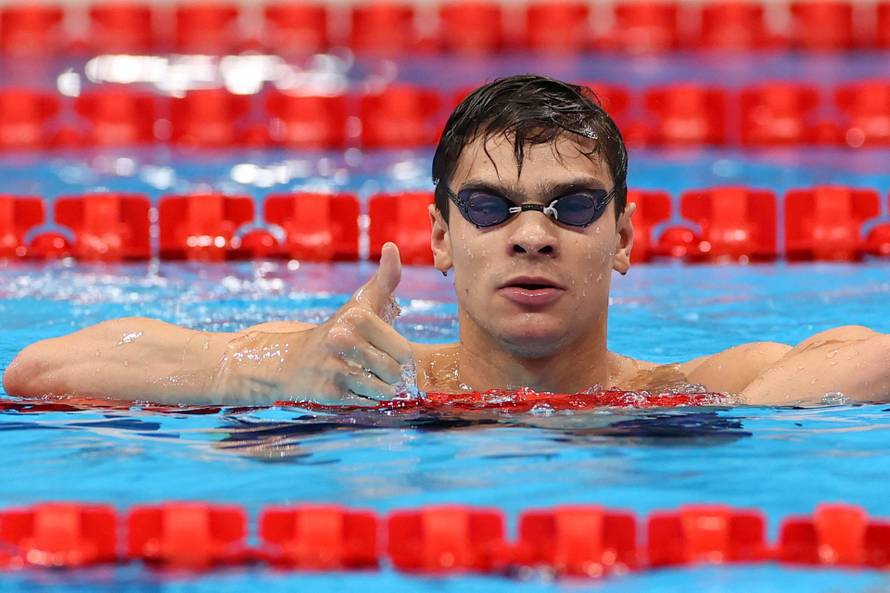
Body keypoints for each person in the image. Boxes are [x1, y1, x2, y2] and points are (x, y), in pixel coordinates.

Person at [3, 75, 889, 407]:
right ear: (438, 235)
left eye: (572, 207)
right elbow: (40, 369)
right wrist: (262, 373)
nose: (531, 237)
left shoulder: (683, 391)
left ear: (626, 234)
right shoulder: (359, 375)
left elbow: (863, 354)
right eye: (491, 207)